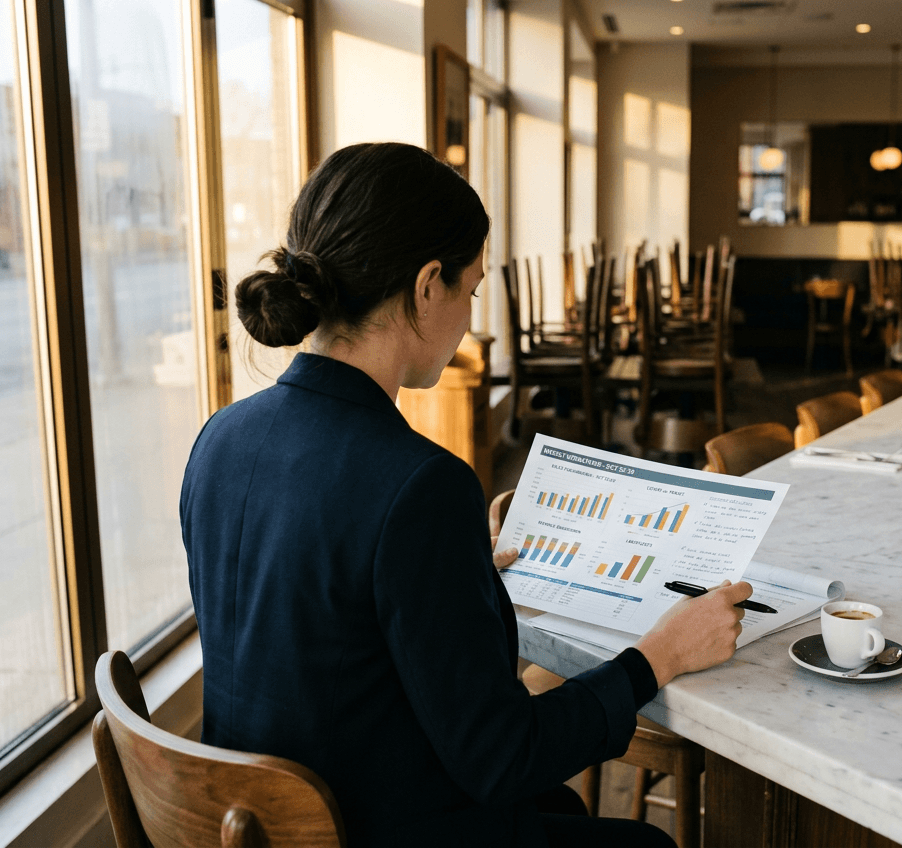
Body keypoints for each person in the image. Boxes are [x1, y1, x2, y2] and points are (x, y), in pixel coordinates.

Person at [180, 142, 754, 848]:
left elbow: (318, 626)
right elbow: (501, 756)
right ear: (427, 285)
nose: (470, 318)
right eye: (471, 291)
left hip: (261, 822)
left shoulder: (219, 439)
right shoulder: (420, 485)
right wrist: (659, 655)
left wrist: (451, 580)